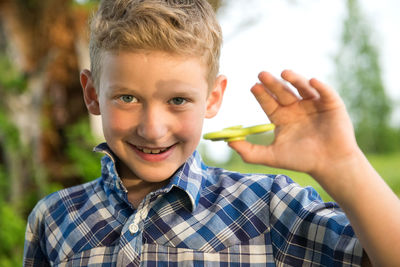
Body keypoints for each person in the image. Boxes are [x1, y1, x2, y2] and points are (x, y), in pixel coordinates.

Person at [23, 0, 400, 266]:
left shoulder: (267, 207)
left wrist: (342, 164)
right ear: (92, 94)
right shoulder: (53, 218)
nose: (153, 129)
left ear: (213, 97)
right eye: (127, 97)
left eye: (178, 100)